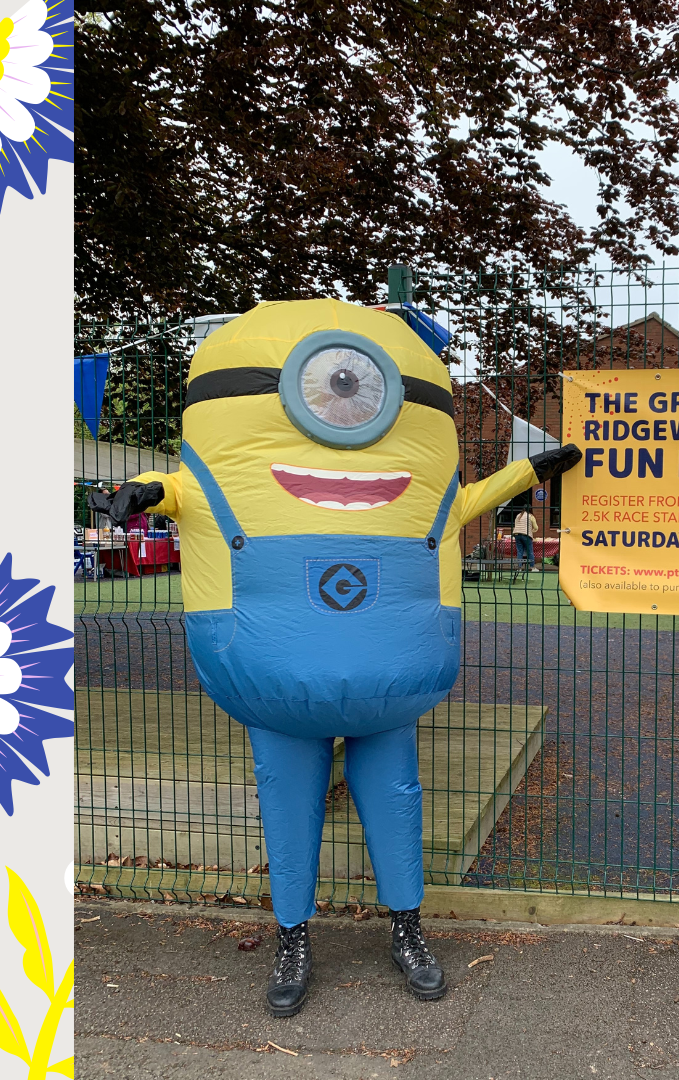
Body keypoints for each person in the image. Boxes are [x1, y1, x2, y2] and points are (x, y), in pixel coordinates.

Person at [90, 299, 582, 1019]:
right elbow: (183, 490)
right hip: (272, 671)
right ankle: (293, 935)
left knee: (394, 799)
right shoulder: (216, 478)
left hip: (389, 673)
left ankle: (406, 929)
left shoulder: (423, 493)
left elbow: (465, 500)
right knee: (287, 803)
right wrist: (144, 494)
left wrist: (533, 468)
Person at [512, 503, 539, 571]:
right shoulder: (531, 516)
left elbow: (515, 525)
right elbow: (536, 527)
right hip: (526, 535)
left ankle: (519, 568)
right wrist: (531, 531)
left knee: (520, 551)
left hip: (517, 534)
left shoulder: (518, 515)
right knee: (530, 551)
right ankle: (532, 567)